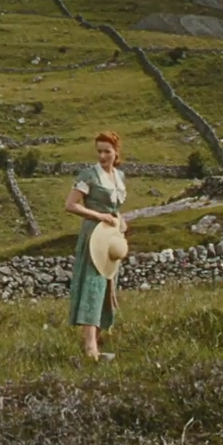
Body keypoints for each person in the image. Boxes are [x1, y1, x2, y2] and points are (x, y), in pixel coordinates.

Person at [64, 130, 128, 361]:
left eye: (107, 151)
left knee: (107, 284)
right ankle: (89, 345)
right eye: (99, 151)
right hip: (94, 235)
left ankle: (98, 339)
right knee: (92, 284)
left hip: (111, 236)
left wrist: (121, 222)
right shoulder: (89, 175)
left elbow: (115, 208)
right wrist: (99, 216)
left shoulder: (119, 176)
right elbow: (71, 205)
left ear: (116, 152)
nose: (102, 156)